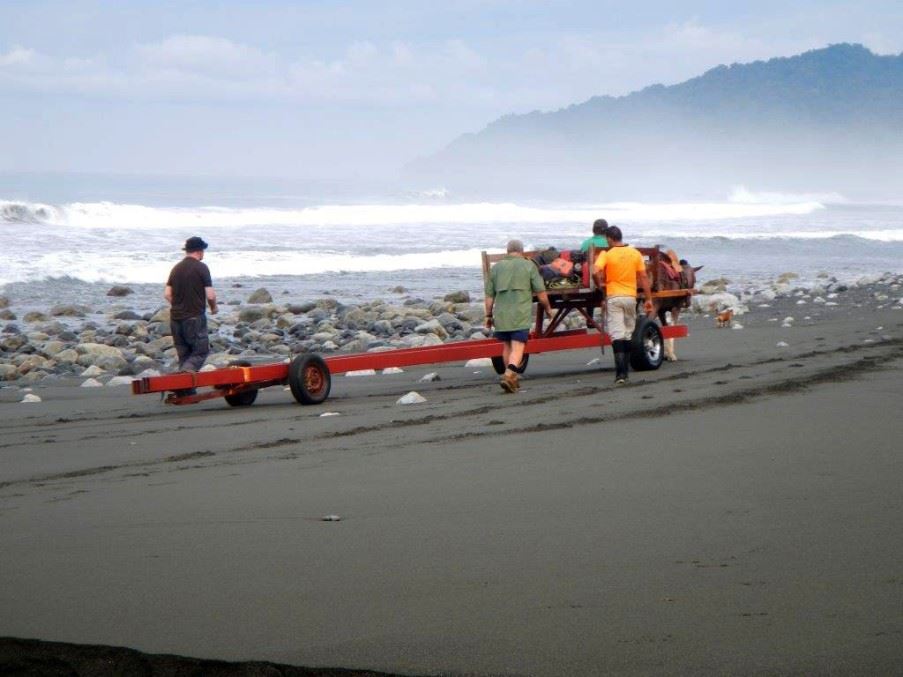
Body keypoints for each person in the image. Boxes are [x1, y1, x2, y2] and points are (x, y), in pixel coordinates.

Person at [484, 239, 553, 393]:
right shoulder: (529, 266)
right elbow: (541, 293)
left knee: (507, 345)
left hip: (501, 314)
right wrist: (548, 309)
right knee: (518, 346)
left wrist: (488, 315)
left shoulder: (496, 268)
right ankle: (509, 374)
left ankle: (511, 380)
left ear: (507, 251)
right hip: (520, 313)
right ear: (521, 251)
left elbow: (489, 296)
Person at [592, 226, 653, 384]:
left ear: (610, 239)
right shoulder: (635, 253)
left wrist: (600, 283)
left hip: (614, 297)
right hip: (630, 297)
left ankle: (621, 374)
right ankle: (625, 372)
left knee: (617, 334)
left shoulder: (607, 254)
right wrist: (648, 299)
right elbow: (644, 276)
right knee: (627, 333)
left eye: (607, 240)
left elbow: (594, 270)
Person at [164, 236, 217, 373]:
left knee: (184, 355)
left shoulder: (176, 268)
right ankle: (185, 375)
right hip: (194, 317)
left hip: (175, 318)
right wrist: (213, 308)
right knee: (200, 351)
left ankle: (186, 389)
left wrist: (179, 304)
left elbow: (167, 294)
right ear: (199, 251)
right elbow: (210, 295)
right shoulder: (201, 268)